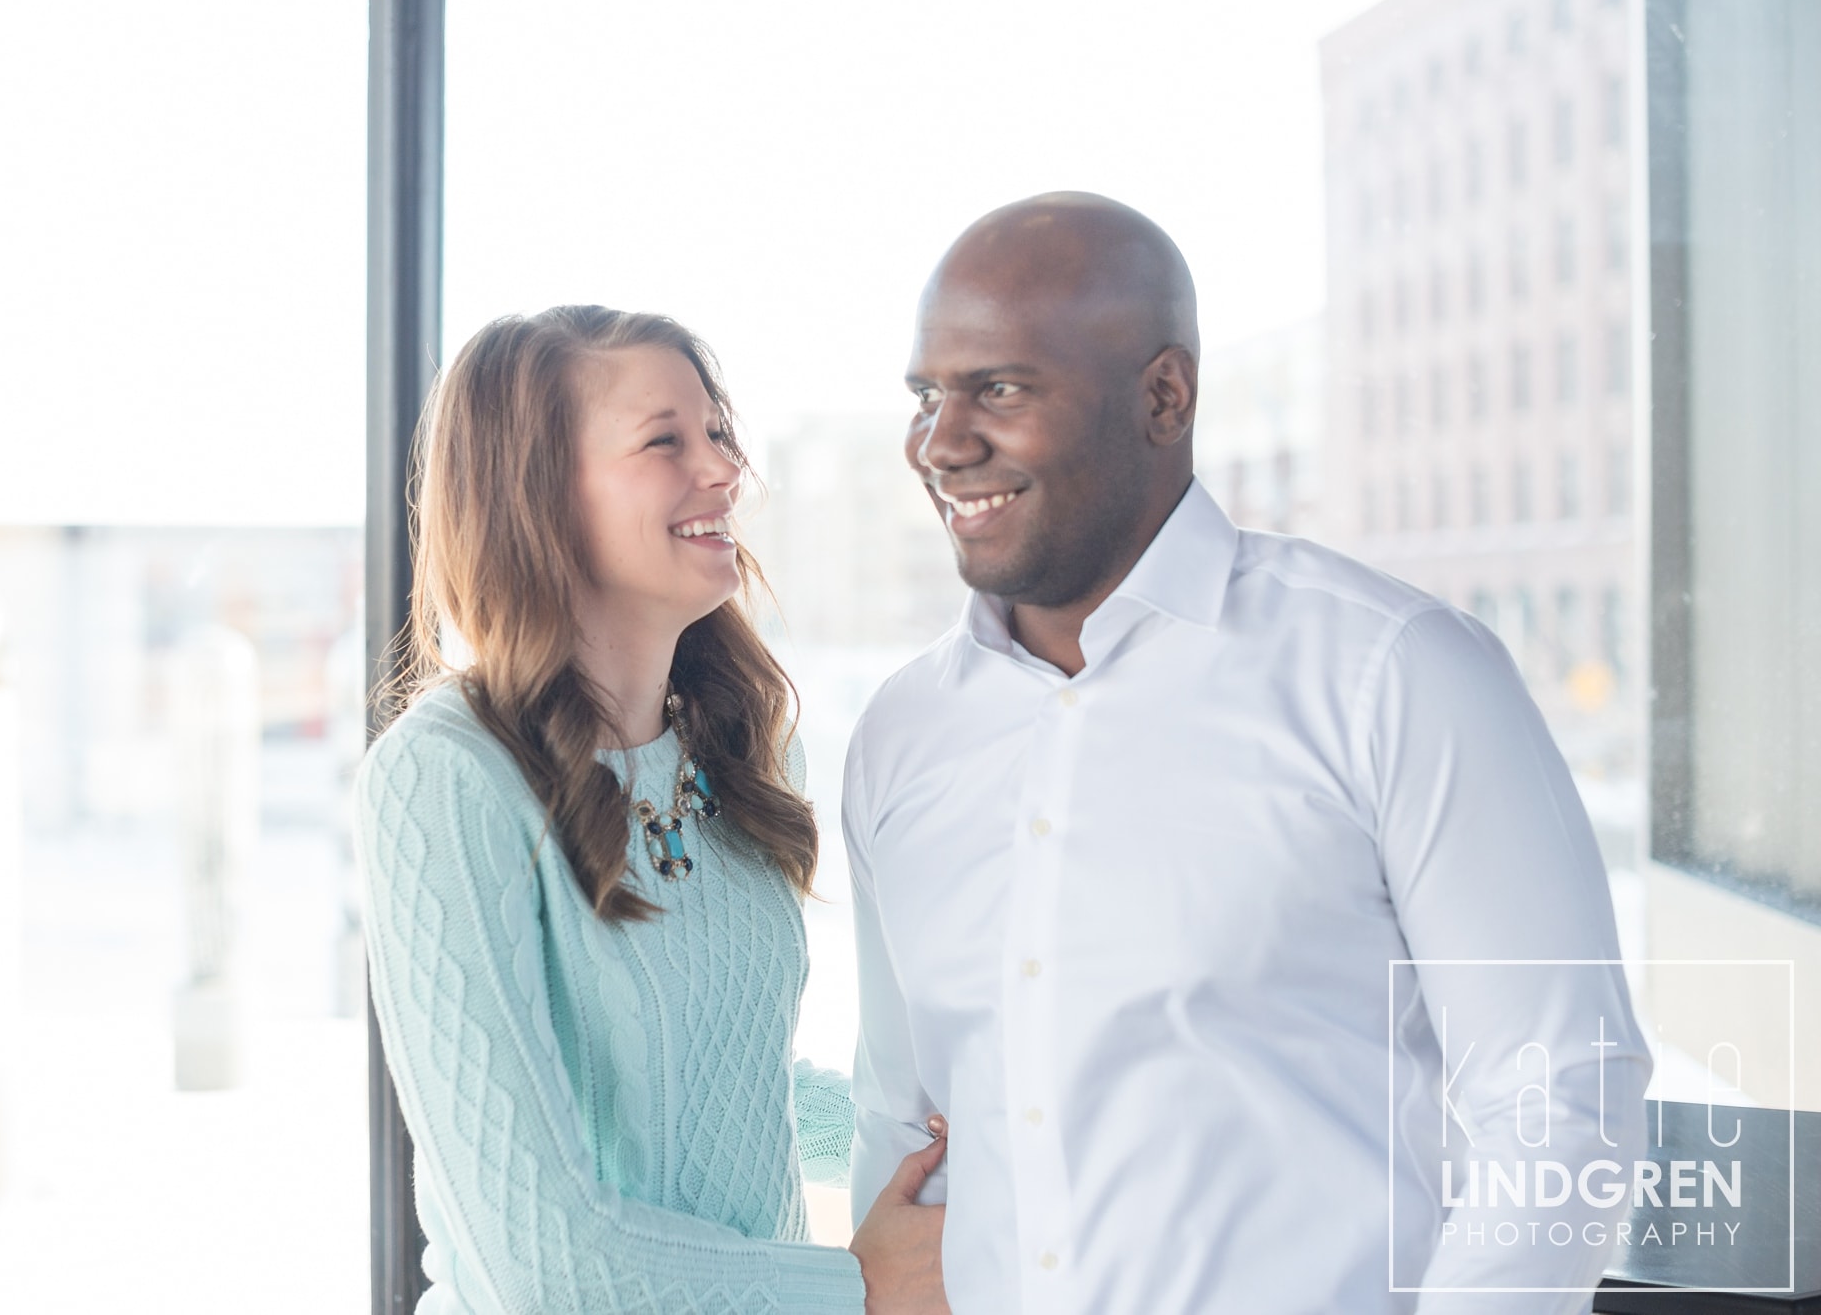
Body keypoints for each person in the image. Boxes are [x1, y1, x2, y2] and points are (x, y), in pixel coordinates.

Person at [844, 193, 1652, 1313]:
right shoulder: (899, 735)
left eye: (999, 388)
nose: (940, 442)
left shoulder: (1396, 674)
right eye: (926, 394)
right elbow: (900, 1113)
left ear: (1162, 396)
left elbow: (1561, 1096)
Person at [354, 305, 949, 1314]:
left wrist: (934, 1149)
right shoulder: (444, 777)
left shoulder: (747, 751)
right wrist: (858, 1285)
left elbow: (717, 1079)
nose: (723, 470)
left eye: (716, 432)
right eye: (663, 440)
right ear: (535, 494)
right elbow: (540, 1261)